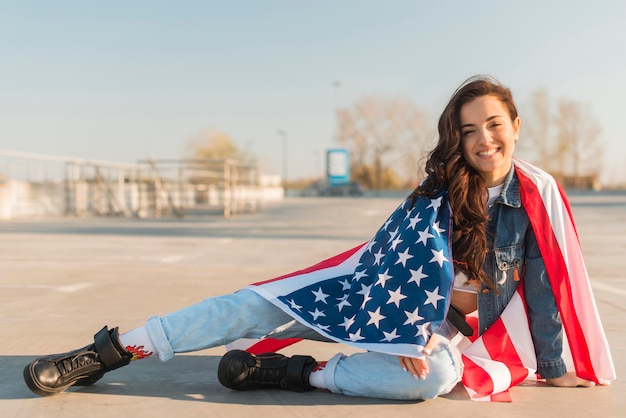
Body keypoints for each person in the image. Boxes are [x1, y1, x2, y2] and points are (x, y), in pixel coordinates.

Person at [23, 76, 614, 401]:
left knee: (435, 381)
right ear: (454, 139)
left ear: (515, 126)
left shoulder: (536, 197)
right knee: (246, 308)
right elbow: (395, 256)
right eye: (468, 130)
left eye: (493, 124)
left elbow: (542, 287)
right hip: (370, 295)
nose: (484, 139)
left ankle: (295, 375)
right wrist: (403, 325)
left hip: (436, 331)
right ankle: (108, 353)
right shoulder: (437, 190)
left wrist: (557, 365)